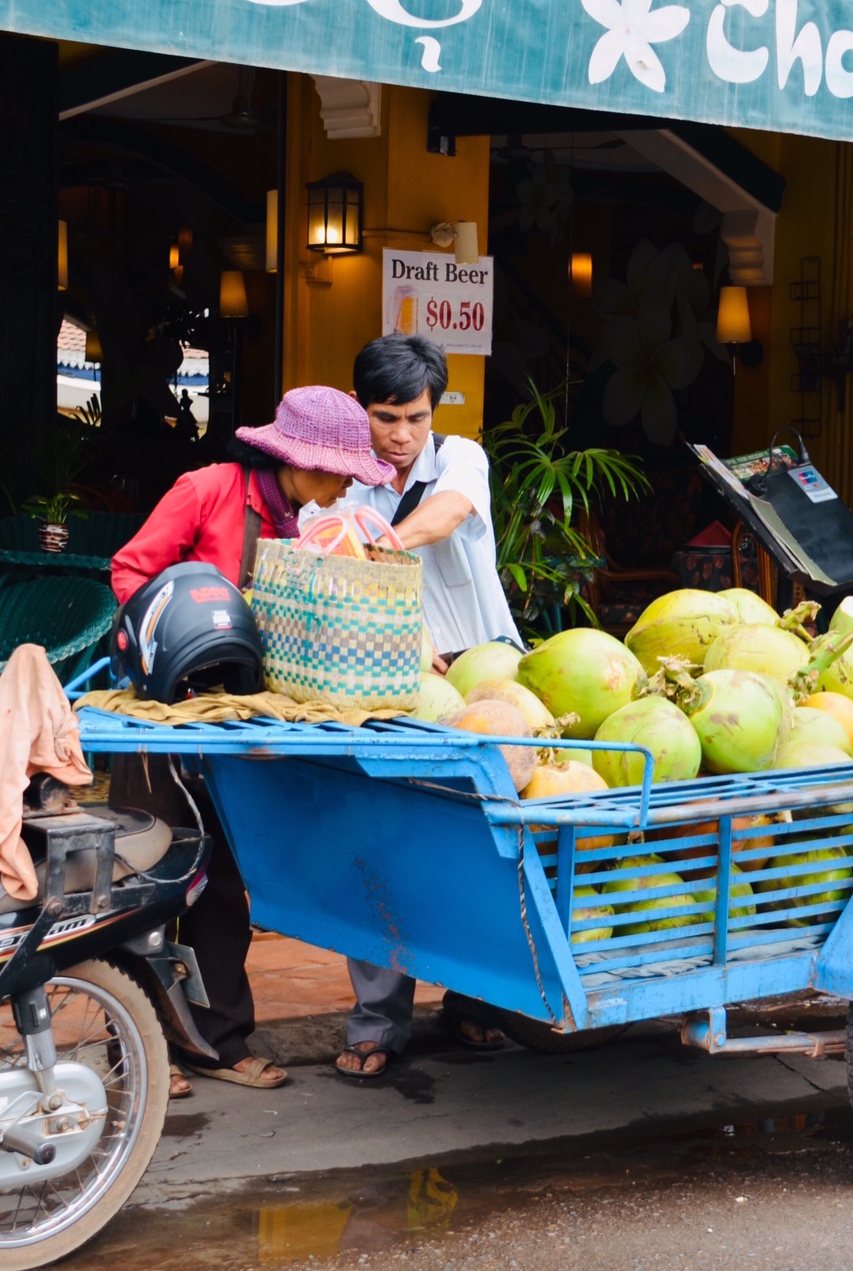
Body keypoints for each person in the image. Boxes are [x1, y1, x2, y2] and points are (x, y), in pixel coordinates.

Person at [111, 385, 393, 1097]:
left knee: (224, 886)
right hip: (163, 719)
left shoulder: (303, 528)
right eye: (340, 470)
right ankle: (141, 1046)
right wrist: (174, 645)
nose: (346, 484)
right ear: (298, 459)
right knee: (146, 884)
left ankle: (219, 1039)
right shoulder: (206, 488)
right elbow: (132, 569)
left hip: (238, 730)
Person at [331, 335, 521, 1082]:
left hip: (486, 676)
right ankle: (378, 1021)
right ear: (362, 412)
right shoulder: (347, 484)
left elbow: (446, 515)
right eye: (385, 417)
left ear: (433, 410)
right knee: (385, 847)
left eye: (414, 416)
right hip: (393, 687)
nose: (401, 434)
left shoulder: (462, 458)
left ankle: (476, 1002)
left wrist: (378, 545)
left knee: (484, 846)